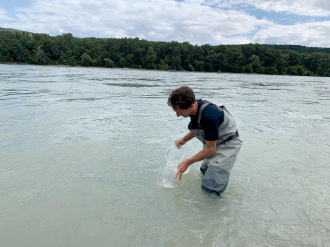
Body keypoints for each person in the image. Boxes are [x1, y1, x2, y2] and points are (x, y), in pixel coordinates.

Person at [167, 86, 242, 196]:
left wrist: (187, 162)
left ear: (191, 105)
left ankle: (215, 209)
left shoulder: (210, 117)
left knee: (211, 187)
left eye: (180, 112)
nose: (177, 115)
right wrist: (183, 140)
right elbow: (200, 128)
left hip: (227, 144)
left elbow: (211, 149)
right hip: (213, 141)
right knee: (205, 171)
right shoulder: (194, 108)